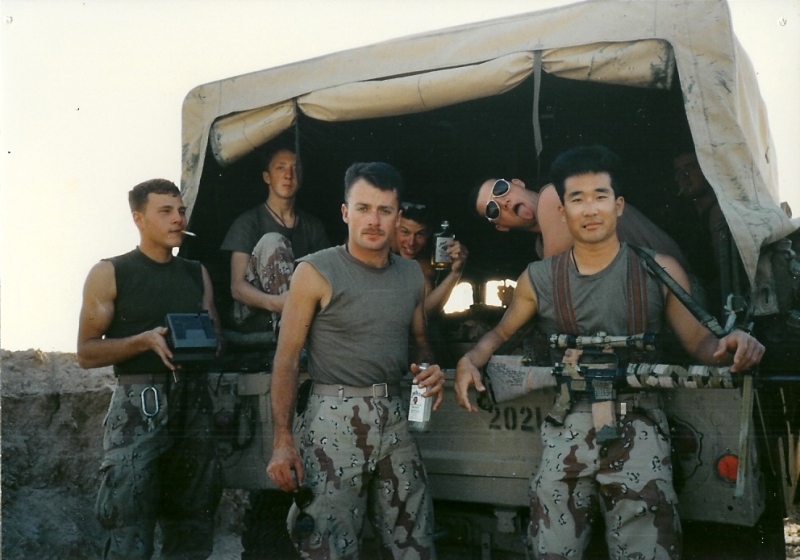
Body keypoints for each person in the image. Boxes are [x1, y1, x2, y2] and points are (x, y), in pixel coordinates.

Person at [455, 146, 764, 560]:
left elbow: (703, 345)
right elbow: (497, 334)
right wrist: (470, 359)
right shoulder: (540, 278)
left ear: (618, 205)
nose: (590, 209)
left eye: (600, 196)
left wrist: (733, 344)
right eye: (577, 199)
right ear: (561, 210)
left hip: (639, 428)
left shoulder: (660, 270)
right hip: (567, 429)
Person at [266, 162, 446, 559]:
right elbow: (287, 360)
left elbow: (419, 342)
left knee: (415, 543)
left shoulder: (411, 275)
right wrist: (282, 442)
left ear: (399, 218)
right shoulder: (315, 271)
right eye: (363, 208)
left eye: (385, 210)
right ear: (345, 212)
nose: (374, 220)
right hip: (333, 418)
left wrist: (430, 368)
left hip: (395, 416)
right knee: (329, 545)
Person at [77, 179, 224, 560]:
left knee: (192, 525)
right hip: (138, 404)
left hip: (193, 404)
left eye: (181, 210)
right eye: (166, 211)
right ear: (138, 218)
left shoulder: (196, 272)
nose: (178, 219)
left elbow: (216, 340)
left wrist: (201, 340)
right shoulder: (111, 272)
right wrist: (143, 341)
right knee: (129, 526)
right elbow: (86, 352)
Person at [470, 174, 689, 267]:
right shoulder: (542, 247)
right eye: (493, 209)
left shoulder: (556, 194)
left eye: (501, 190)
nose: (503, 203)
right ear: (501, 227)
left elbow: (552, 280)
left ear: (518, 183)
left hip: (682, 293)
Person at [220, 145, 330, 331]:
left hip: (301, 311)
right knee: (272, 240)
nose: (289, 174)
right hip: (255, 313)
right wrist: (278, 303)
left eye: (295, 169)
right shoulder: (249, 222)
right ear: (267, 177)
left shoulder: (313, 226)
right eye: (281, 167)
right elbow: (237, 287)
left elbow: (327, 275)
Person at [392, 202, 469, 315]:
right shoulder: (376, 248)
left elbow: (425, 312)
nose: (411, 242)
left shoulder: (423, 264)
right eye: (405, 232)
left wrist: (456, 273)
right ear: (394, 226)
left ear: (428, 234)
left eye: (420, 234)